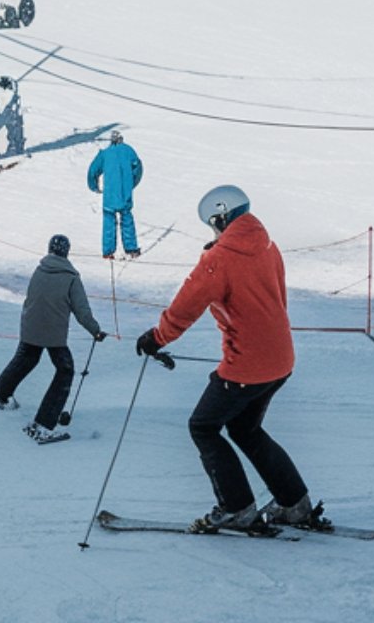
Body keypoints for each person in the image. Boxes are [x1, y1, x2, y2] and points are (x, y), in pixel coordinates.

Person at [135, 185, 320, 535]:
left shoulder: (220, 258)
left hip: (248, 365)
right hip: (280, 359)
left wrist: (156, 337)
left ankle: (237, 508)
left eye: (213, 224)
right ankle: (294, 504)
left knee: (203, 426)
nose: (214, 232)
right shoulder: (268, 245)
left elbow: (186, 306)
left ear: (222, 217)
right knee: (245, 428)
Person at [0, 235, 104, 442]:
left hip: (30, 327)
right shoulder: (71, 277)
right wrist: (95, 330)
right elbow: (82, 311)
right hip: (52, 332)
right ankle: (43, 425)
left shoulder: (39, 269)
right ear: (67, 251)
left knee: (27, 358)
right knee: (65, 370)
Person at [87, 131, 144, 259]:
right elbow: (138, 168)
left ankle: (108, 251)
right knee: (127, 220)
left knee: (109, 222)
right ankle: (131, 249)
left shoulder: (105, 153)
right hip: (125, 194)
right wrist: (132, 183)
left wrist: (94, 186)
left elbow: (93, 170)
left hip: (110, 194)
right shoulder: (129, 151)